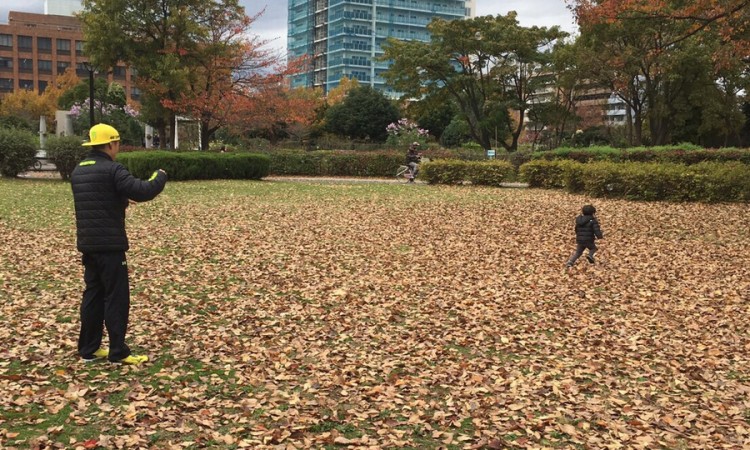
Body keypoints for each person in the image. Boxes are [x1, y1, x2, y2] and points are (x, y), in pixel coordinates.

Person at [71, 124, 168, 365]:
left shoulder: (79, 171)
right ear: (111, 144)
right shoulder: (112, 169)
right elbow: (143, 191)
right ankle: (118, 351)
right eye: (117, 144)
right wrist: (160, 176)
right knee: (116, 296)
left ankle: (89, 349)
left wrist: (120, 200)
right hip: (111, 246)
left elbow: (98, 199)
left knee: (93, 294)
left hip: (88, 244)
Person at [565, 204, 604, 269]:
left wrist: (578, 235)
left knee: (578, 252)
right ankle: (590, 255)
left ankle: (570, 262)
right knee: (593, 248)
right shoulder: (593, 221)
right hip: (588, 240)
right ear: (593, 213)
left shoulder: (579, 220)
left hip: (580, 239)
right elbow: (596, 230)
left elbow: (576, 229)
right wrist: (600, 236)